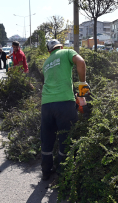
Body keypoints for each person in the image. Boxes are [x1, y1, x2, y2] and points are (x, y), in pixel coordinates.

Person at [40, 39, 88, 182]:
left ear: (49, 51)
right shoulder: (67, 52)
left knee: (47, 138)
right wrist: (82, 89)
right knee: (65, 137)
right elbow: (81, 62)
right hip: (65, 103)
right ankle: (62, 171)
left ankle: (46, 171)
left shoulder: (45, 63)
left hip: (46, 104)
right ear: (61, 46)